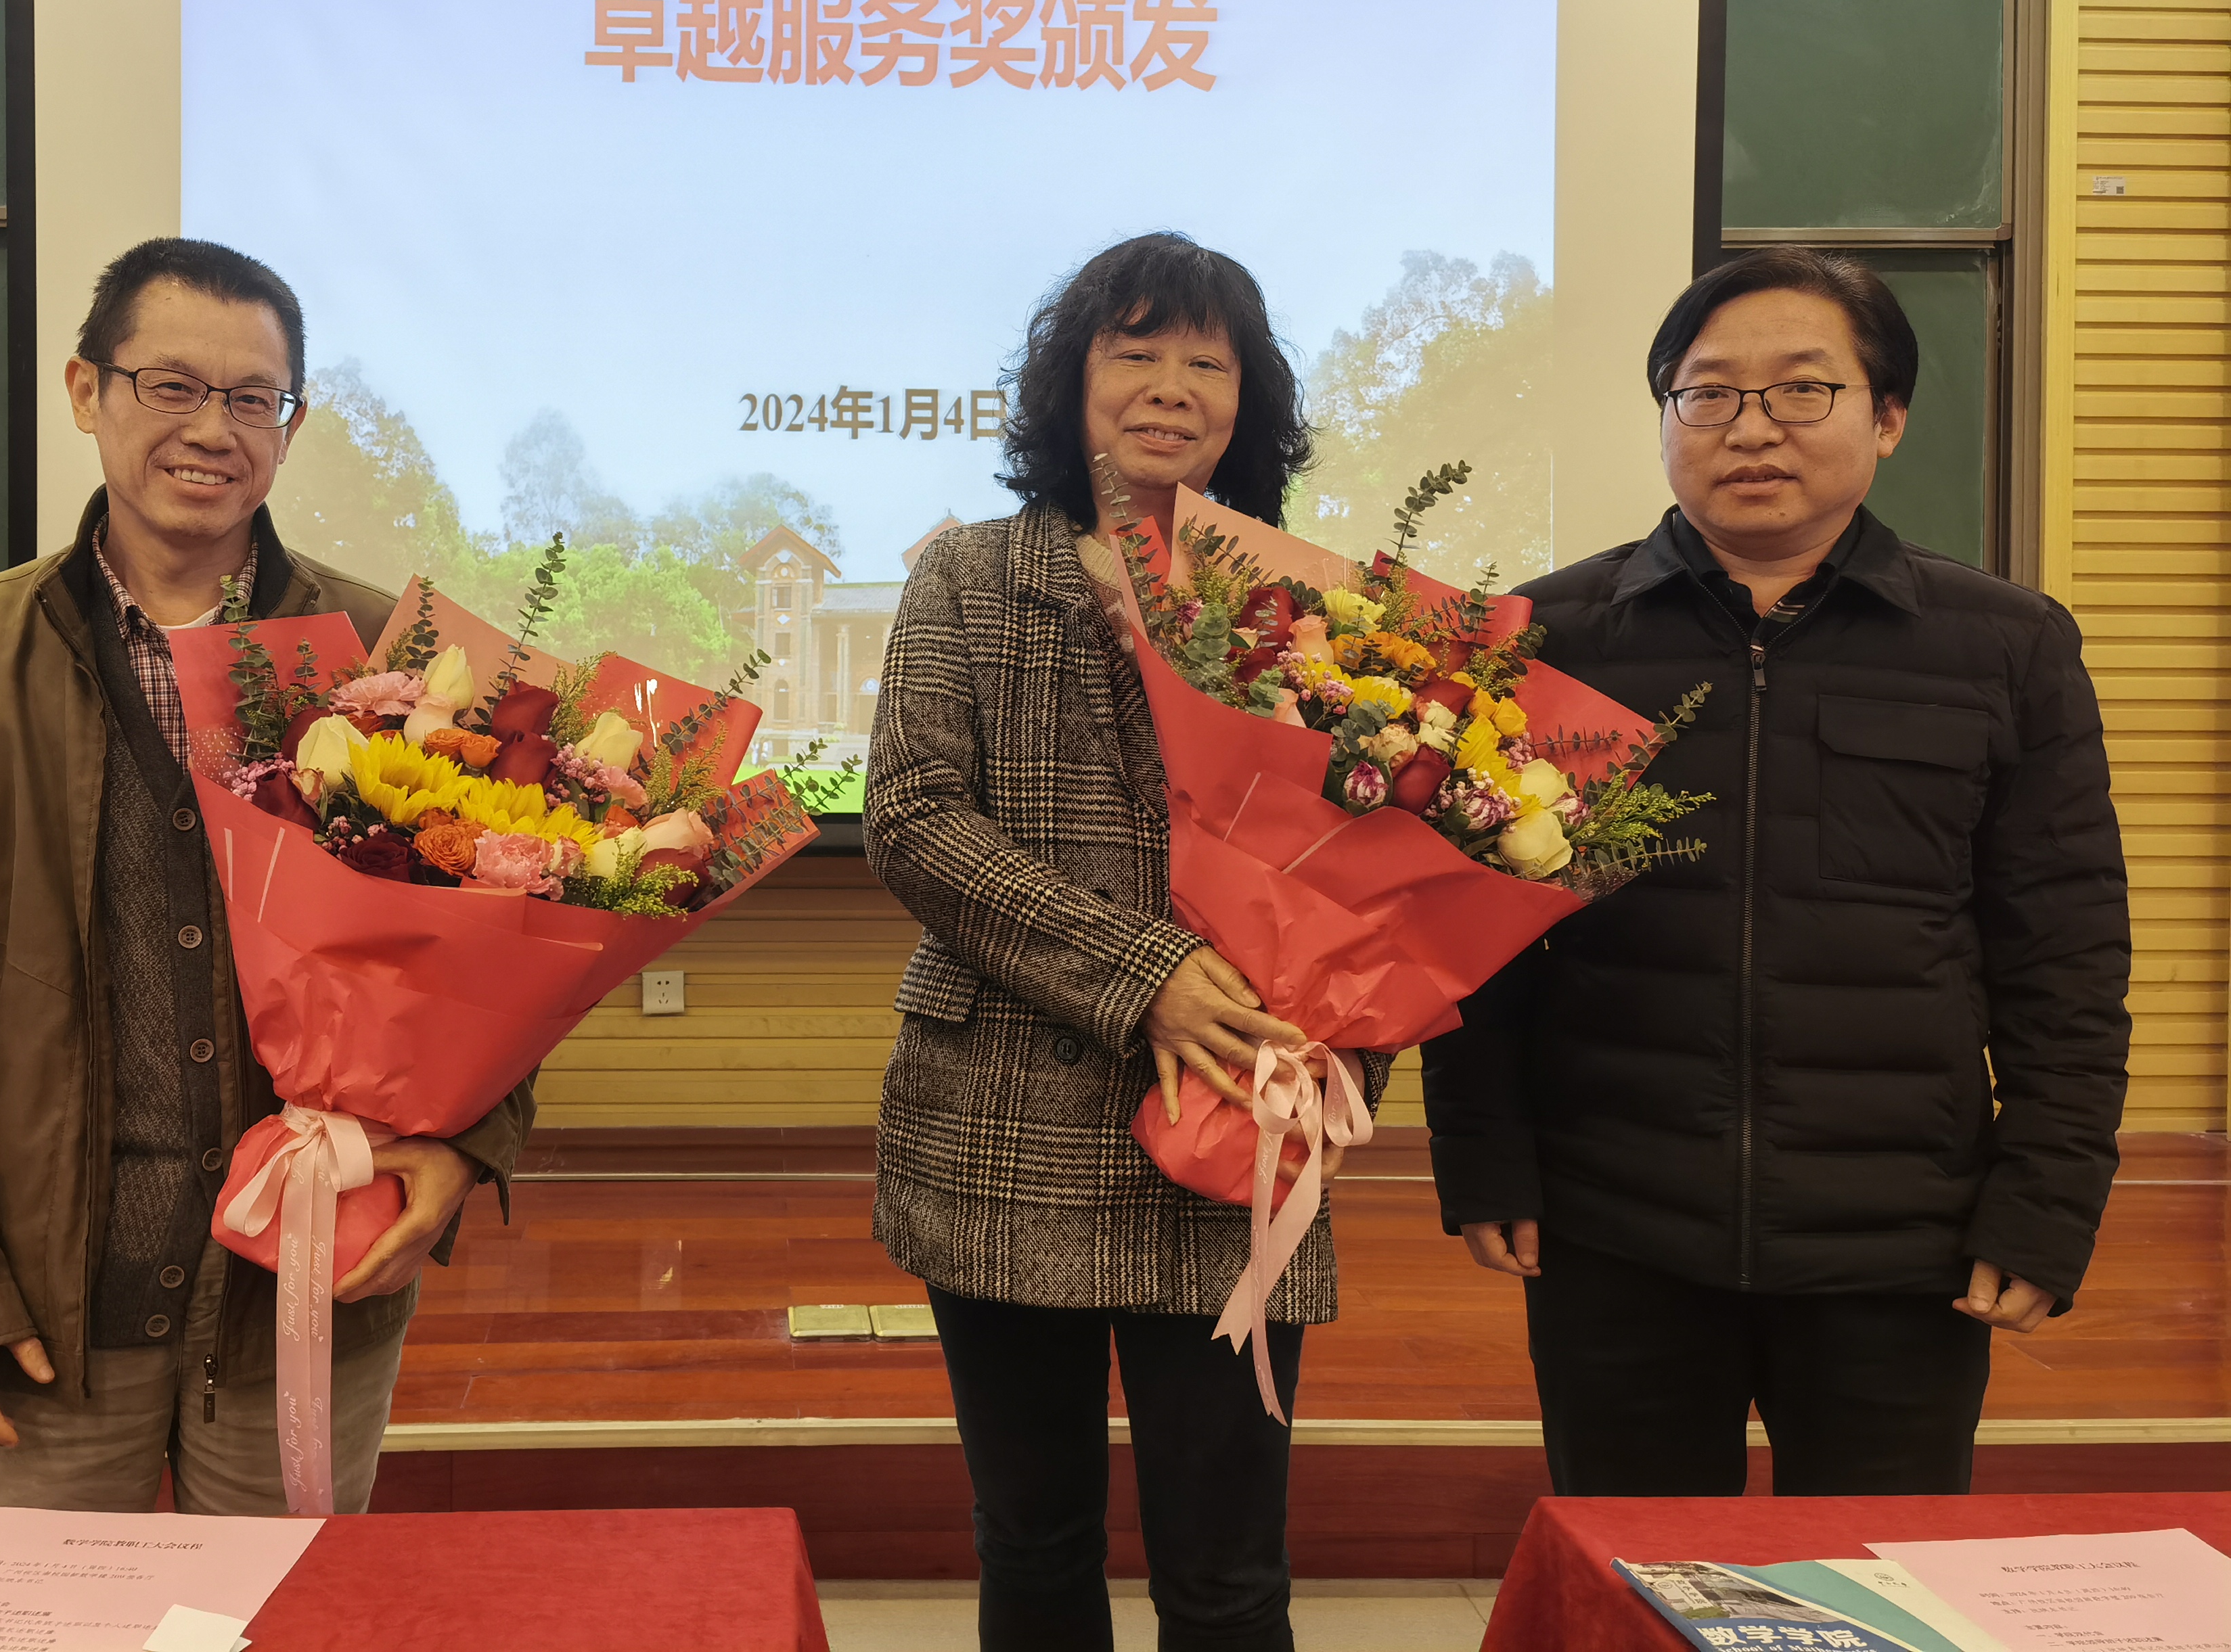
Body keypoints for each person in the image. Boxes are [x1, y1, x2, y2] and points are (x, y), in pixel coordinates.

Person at [1422, 246, 2130, 1497]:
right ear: (1666, 417)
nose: (1751, 428)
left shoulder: (2006, 648)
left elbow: (2065, 955)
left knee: (1874, 1582)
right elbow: (1478, 940)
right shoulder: (1550, 638)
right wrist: (1485, 1154)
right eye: (1708, 393)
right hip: (1615, 1227)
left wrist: (2047, 1201)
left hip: (1900, 1244)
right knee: (1636, 1575)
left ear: (1888, 416)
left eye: (1803, 389)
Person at [0, 237, 533, 1516]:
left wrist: (468, 1148)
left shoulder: (389, 654)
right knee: (37, 1612)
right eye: (171, 386)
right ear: (86, 391)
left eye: (252, 398)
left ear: (291, 425)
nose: (213, 430)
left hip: (302, 1285)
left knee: (288, 1610)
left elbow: (499, 942)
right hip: (42, 1300)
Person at [867, 233, 1391, 1652]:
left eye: (1206, 363)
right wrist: (1143, 973)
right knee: (1033, 1545)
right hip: (1004, 1121)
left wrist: (1343, 1048)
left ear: (1247, 401)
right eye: (1135, 352)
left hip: (1237, 1119)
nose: (1170, 387)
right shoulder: (968, 576)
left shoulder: (1312, 606)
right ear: (1071, 381)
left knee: (1228, 1571)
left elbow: (1383, 866)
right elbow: (911, 818)